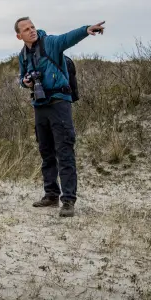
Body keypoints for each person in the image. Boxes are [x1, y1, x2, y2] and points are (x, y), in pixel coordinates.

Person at [15, 17, 106, 217]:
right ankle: (51, 194)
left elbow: (68, 38)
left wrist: (86, 29)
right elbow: (21, 78)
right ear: (19, 36)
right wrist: (26, 81)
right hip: (40, 105)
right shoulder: (23, 55)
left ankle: (68, 201)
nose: (31, 31)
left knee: (64, 151)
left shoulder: (50, 43)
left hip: (59, 103)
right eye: (26, 29)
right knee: (46, 152)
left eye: (32, 27)